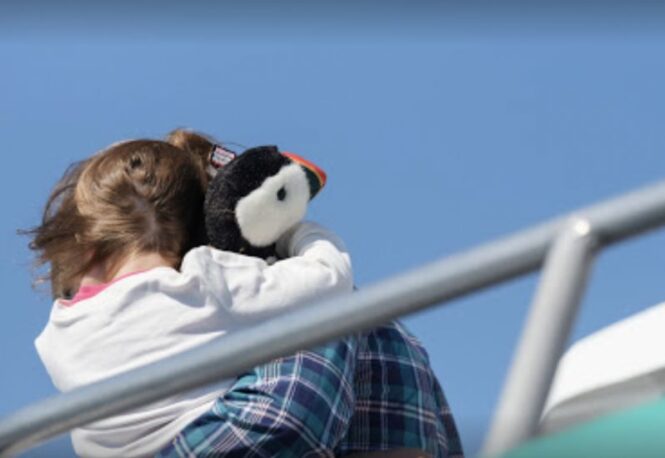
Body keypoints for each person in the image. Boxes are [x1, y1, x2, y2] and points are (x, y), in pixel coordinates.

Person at [30, 130, 463, 457]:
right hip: (219, 439)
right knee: (344, 308)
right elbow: (329, 275)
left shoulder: (59, 330)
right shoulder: (208, 280)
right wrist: (296, 234)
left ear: (84, 244)